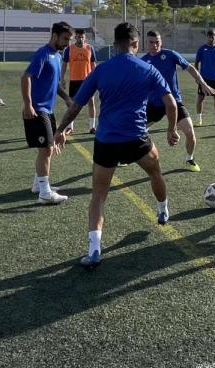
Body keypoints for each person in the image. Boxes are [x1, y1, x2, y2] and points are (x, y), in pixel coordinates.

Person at [53, 23, 180, 269]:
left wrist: (60, 130)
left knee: (99, 195)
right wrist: (172, 130)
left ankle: (94, 250)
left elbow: (76, 106)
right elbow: (172, 104)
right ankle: (163, 211)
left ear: (115, 44)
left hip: (107, 142)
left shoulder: (101, 70)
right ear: (136, 44)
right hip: (137, 140)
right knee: (155, 172)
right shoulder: (148, 69)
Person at [142, 30, 215, 172]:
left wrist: (202, 83)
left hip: (174, 102)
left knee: (190, 133)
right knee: (133, 131)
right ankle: (125, 156)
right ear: (147, 43)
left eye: (157, 41)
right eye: (152, 42)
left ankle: (189, 159)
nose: (155, 45)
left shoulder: (170, 55)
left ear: (161, 41)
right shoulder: (144, 61)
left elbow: (190, 68)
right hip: (155, 104)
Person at [20, 21, 73, 204]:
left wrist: (66, 98)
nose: (67, 43)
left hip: (47, 110)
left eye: (69, 40)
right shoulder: (43, 54)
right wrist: (28, 105)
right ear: (55, 36)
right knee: (47, 149)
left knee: (47, 150)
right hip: (37, 109)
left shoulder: (57, 56)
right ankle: (44, 193)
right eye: (65, 39)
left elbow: (54, 84)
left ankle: (38, 184)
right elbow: (26, 77)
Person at [61, 29, 98, 134]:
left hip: (87, 81)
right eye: (78, 37)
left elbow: (93, 64)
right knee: (71, 104)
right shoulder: (69, 49)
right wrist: (62, 78)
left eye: (82, 37)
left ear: (85, 37)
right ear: (75, 37)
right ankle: (70, 127)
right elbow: (64, 64)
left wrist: (96, 78)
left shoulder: (90, 48)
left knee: (91, 103)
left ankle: (92, 127)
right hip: (74, 80)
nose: (80, 39)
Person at [194, 29, 215, 126]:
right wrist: (197, 77)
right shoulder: (201, 49)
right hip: (203, 79)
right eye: (209, 36)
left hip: (214, 78)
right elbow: (196, 63)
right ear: (207, 37)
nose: (211, 37)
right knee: (200, 99)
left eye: (213, 36)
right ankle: (199, 120)